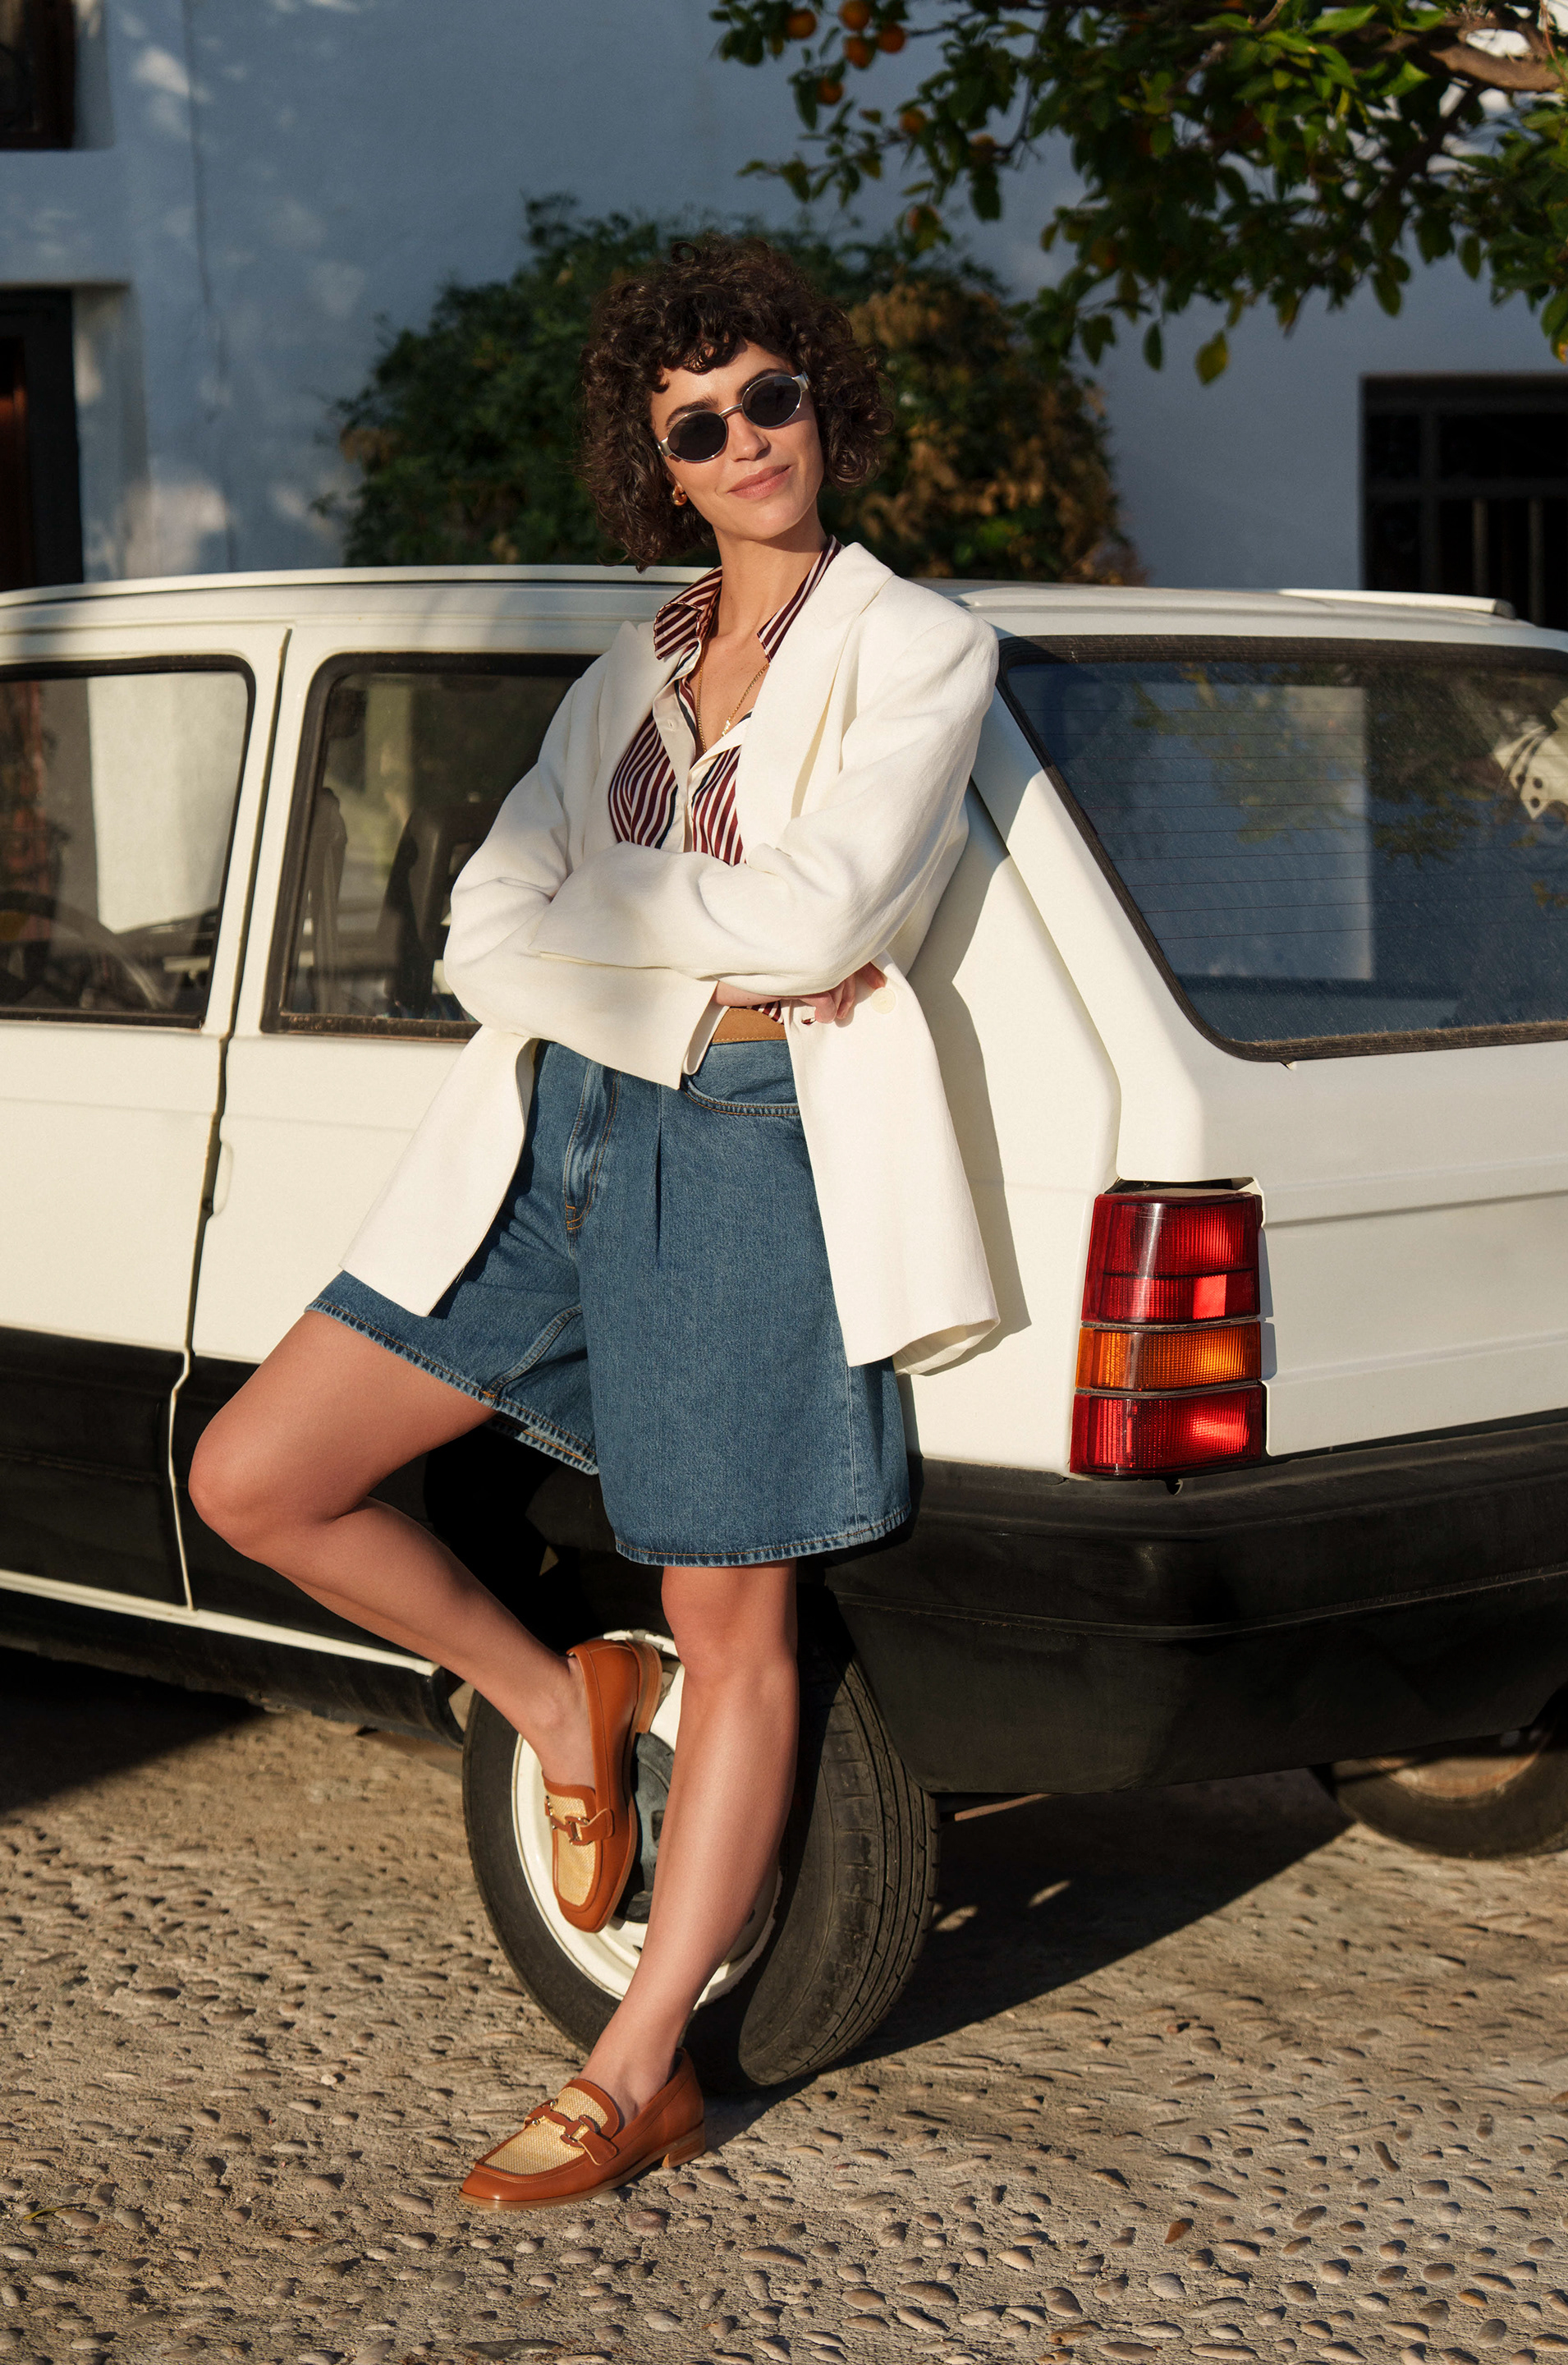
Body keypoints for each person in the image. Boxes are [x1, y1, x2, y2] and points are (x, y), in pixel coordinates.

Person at [190, 235, 998, 2209]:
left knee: (736, 1623)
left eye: (769, 398)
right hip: (550, 1135)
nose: (746, 443)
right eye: (697, 425)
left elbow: (825, 918)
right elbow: (482, 931)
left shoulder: (917, 644)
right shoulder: (629, 665)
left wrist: (605, 941)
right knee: (257, 1474)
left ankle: (643, 2071)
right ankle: (561, 1699)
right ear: (662, 463)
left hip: (746, 1146)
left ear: (821, 399)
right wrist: (656, 972)